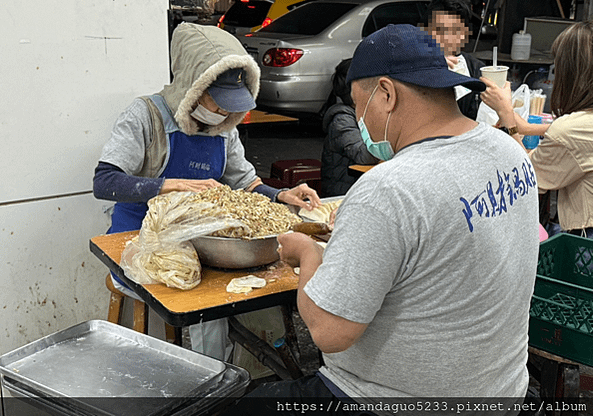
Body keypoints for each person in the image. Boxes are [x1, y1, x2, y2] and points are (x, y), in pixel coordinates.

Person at [222, 24, 540, 414]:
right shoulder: (508, 150)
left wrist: (307, 254)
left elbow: (328, 332)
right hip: (502, 389)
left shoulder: (390, 189)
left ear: (387, 94)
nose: (359, 119)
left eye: (358, 105)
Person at [93, 23, 320, 360]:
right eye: (218, 104)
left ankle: (251, 374)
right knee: (205, 308)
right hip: (144, 245)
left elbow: (246, 182)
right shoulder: (146, 116)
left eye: (232, 107)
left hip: (206, 245)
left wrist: (279, 195)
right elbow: (104, 182)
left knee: (264, 290)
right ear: (192, 89)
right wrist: (173, 186)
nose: (225, 114)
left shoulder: (223, 127)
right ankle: (212, 386)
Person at [480, 20, 593, 239]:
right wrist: (526, 127)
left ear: (571, 73)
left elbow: (528, 177)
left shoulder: (570, 130)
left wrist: (510, 122)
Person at [321, 59, 379, 197]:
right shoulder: (342, 120)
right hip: (344, 194)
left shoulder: (363, 114)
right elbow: (364, 156)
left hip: (362, 187)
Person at [425, 0, 486, 120]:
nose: (446, 38)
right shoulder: (412, 67)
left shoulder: (476, 71)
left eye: (454, 31)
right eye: (440, 30)